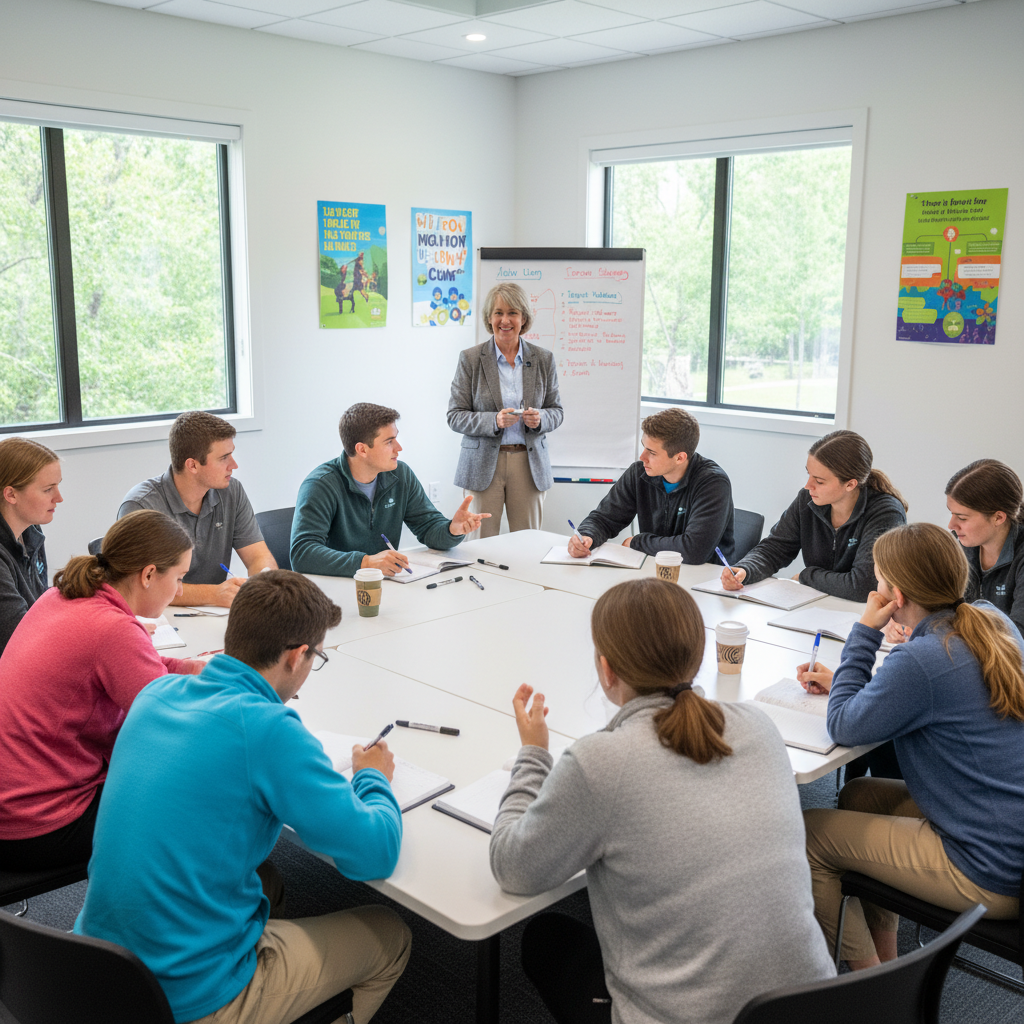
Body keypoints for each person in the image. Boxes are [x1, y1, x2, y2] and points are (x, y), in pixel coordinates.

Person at [490, 578, 835, 1024]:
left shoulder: (602, 761)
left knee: (547, 939)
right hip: (815, 1009)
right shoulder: (759, 725)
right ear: (697, 655)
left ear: (607, 669)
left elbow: (512, 867)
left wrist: (533, 755)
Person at [74, 569, 410, 1024]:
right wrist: (372, 779)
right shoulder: (269, 730)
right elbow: (375, 854)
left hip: (93, 966)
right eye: (317, 659)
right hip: (190, 998)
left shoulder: (156, 692)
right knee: (390, 935)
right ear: (296, 657)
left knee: (267, 883)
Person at [799, 523, 1024, 969]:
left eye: (879, 579)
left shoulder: (922, 661)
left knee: (809, 835)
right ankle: (886, 957)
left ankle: (873, 987)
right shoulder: (990, 621)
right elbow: (921, 691)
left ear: (896, 595)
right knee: (858, 795)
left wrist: (864, 632)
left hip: (986, 867)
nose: (874, 588)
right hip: (1005, 832)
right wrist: (859, 684)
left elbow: (843, 724)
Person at [0, 510, 204, 870]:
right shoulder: (113, 629)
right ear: (149, 574)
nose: (180, 591)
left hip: (12, 801)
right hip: (36, 825)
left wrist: (192, 669)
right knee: (194, 793)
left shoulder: (62, 597)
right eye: (180, 578)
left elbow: (138, 669)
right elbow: (172, 725)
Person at [291, 402, 488, 577]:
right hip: (334, 588)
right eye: (389, 441)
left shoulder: (400, 475)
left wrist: (452, 529)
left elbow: (428, 527)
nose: (399, 448)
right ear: (362, 449)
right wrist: (365, 563)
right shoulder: (321, 484)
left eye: (396, 438)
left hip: (385, 584)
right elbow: (302, 553)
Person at [720, 429, 907, 601]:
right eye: (809, 474)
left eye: (819, 481)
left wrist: (806, 576)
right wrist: (745, 569)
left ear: (850, 484)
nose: (808, 486)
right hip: (816, 606)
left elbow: (863, 585)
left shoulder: (886, 513)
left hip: (862, 614)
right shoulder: (807, 500)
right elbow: (776, 547)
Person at [118, 410, 276, 608]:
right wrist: (214, 594)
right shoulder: (142, 505)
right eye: (224, 457)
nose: (234, 465)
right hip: (162, 620)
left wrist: (264, 582)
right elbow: (141, 587)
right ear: (192, 465)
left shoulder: (231, 491)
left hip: (215, 615)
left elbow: (258, 556)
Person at [447, 283, 563, 538]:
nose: (505, 320)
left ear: (524, 318)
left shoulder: (544, 359)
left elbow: (557, 410)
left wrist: (541, 418)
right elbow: (454, 416)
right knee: (480, 544)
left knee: (529, 543)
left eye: (512, 312)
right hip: (482, 465)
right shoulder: (471, 358)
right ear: (489, 318)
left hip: (528, 464)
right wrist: (494, 421)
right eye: (498, 312)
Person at [568, 407, 734, 562]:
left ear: (679, 458)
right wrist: (587, 535)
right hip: (653, 567)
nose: (642, 457)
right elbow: (604, 518)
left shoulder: (713, 483)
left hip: (705, 578)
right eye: (644, 447)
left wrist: (637, 542)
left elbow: (694, 550)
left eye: (652, 452)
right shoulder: (639, 472)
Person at [946, 458, 1024, 635]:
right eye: (951, 513)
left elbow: (1019, 636)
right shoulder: (955, 546)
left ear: (998, 518)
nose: (951, 525)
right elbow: (930, 604)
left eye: (962, 518)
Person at [0, 437, 62, 653]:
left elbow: (41, 604)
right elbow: (21, 636)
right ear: (11, 494)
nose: (59, 498)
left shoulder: (31, 531)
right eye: (48, 489)